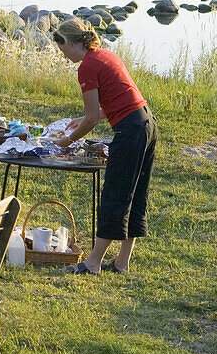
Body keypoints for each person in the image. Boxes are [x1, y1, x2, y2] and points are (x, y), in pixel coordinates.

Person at [51, 18, 157, 274]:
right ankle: (121, 262)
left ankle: (93, 263)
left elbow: (89, 120)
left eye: (62, 48)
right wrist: (88, 118)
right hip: (146, 124)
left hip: (130, 131)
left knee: (115, 194)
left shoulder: (86, 66)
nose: (63, 55)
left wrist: (66, 141)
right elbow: (112, 103)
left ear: (70, 43)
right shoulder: (104, 55)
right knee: (133, 193)